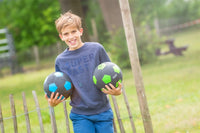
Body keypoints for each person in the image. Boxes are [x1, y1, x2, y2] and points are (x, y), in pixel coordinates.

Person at [45, 11, 122, 133]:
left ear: (80, 31)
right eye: (66, 34)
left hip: (103, 112)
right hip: (80, 115)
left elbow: (113, 74)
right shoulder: (60, 61)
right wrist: (54, 102)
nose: (71, 37)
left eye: (74, 32)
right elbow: (63, 89)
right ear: (61, 36)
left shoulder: (96, 49)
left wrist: (118, 91)